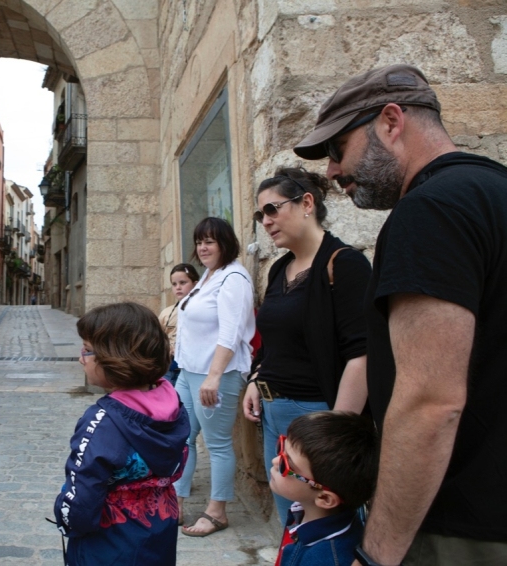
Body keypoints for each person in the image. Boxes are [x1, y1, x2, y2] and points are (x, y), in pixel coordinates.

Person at [294, 63, 507, 565]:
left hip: (463, 528)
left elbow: (431, 402)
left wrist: (378, 553)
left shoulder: (429, 211)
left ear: (391, 122)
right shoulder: (492, 192)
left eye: (337, 149)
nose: (331, 171)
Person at [243, 166, 370, 525]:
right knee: (293, 522)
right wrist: (257, 379)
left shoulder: (344, 264)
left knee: (327, 522)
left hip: (317, 416)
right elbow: (274, 341)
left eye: (272, 209)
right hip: (273, 414)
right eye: (260, 213)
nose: (265, 221)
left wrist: (333, 438)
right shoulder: (279, 269)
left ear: (307, 203)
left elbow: (362, 356)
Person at [53, 302, 190, 566]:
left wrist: (65, 519)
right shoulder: (172, 403)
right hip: (158, 532)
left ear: (115, 357)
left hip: (107, 544)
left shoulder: (103, 420)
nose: (81, 357)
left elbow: (82, 494)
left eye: (88, 350)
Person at [172, 217, 255, 536]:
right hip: (189, 372)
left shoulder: (233, 277)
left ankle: (217, 511)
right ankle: (175, 502)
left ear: (225, 243)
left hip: (215, 375)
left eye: (210, 241)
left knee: (218, 444)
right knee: (181, 437)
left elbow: (231, 332)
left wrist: (214, 376)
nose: (203, 247)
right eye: (199, 241)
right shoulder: (209, 275)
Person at [271, 411, 378, 566]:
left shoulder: (326, 558)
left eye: (286, 465)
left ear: (325, 498)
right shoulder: (303, 512)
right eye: (281, 447)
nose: (275, 461)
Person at [158, 263, 200, 386]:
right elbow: (158, 337)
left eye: (183, 283)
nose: (178, 287)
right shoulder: (166, 313)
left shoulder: (202, 312)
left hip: (193, 368)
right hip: (170, 368)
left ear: (195, 284)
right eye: (174, 284)